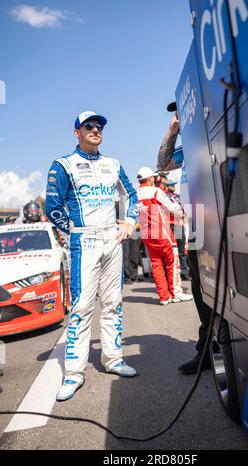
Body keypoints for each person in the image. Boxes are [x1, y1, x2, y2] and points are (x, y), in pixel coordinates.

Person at [46, 110, 139, 401]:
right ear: (77, 132)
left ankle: (113, 360)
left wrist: (128, 222)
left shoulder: (114, 164)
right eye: (89, 125)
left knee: (113, 303)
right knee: (82, 307)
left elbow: (131, 196)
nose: (95, 129)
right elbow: (52, 205)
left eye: (99, 126)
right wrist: (75, 230)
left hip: (112, 238)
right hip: (83, 240)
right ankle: (74, 373)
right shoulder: (63, 164)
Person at [157, 111, 211, 373]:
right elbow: (163, 163)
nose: (179, 116)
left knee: (219, 290)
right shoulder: (186, 147)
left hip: (215, 220)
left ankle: (221, 347)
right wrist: (173, 131)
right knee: (201, 292)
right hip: (195, 225)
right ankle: (208, 351)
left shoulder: (208, 134)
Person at [137, 166, 193, 305]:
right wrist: (182, 214)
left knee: (156, 264)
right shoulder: (155, 191)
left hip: (146, 234)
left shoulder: (136, 193)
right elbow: (172, 207)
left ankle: (164, 297)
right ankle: (177, 294)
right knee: (172, 262)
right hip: (161, 233)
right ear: (150, 179)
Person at [167, 180, 190, 281]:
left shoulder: (177, 197)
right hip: (170, 225)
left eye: (174, 184)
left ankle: (184, 272)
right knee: (173, 250)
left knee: (181, 250)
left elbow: (183, 210)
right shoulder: (164, 197)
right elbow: (168, 210)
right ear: (167, 186)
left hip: (179, 225)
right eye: (171, 185)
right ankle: (173, 273)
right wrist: (178, 215)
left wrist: (183, 219)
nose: (174, 187)